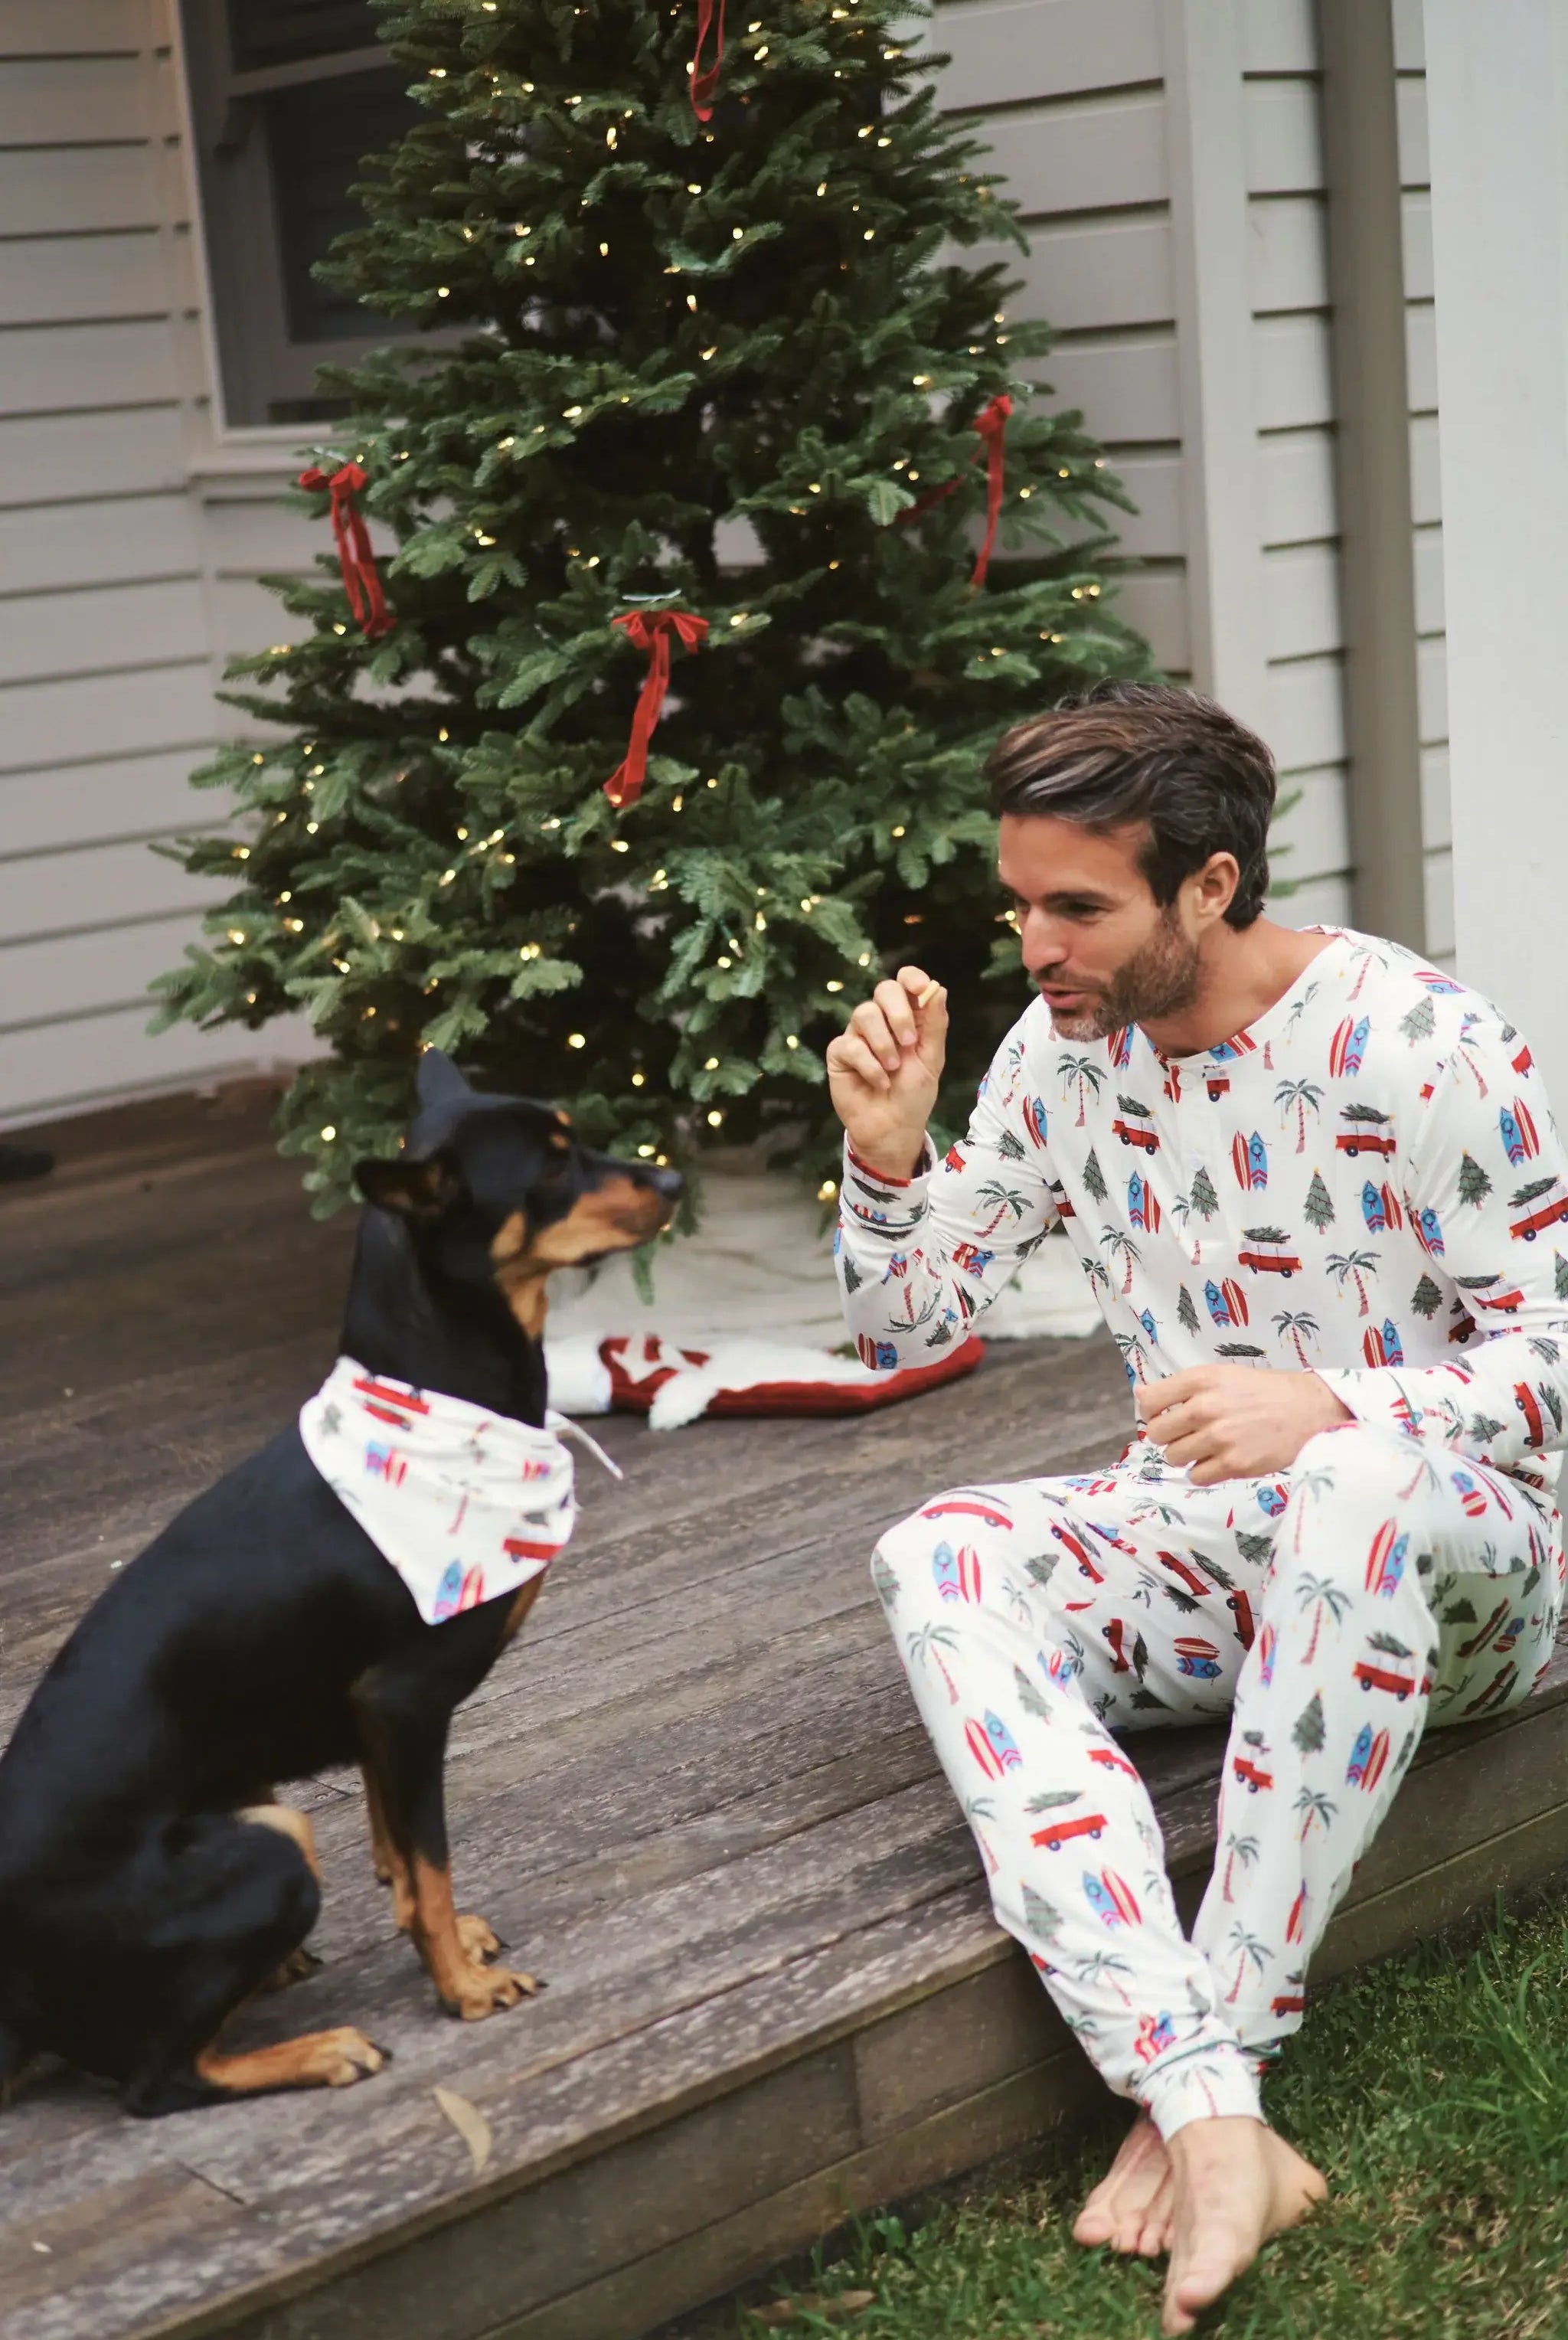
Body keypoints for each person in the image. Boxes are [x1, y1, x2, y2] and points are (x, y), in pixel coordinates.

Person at [826, 680, 1568, 2335]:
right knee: (933, 1547)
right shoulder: (1057, 1052)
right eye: (1018, 903)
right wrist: (888, 1158)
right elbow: (908, 1324)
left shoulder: (1419, 1040)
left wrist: (1338, 1401)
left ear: (1210, 886)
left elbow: (1558, 1355)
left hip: (1470, 1560)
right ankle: (1204, 2100)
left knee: (1352, 1481)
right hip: (1214, 1546)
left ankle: (1218, 2033)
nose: (1034, 944)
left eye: (1075, 906)